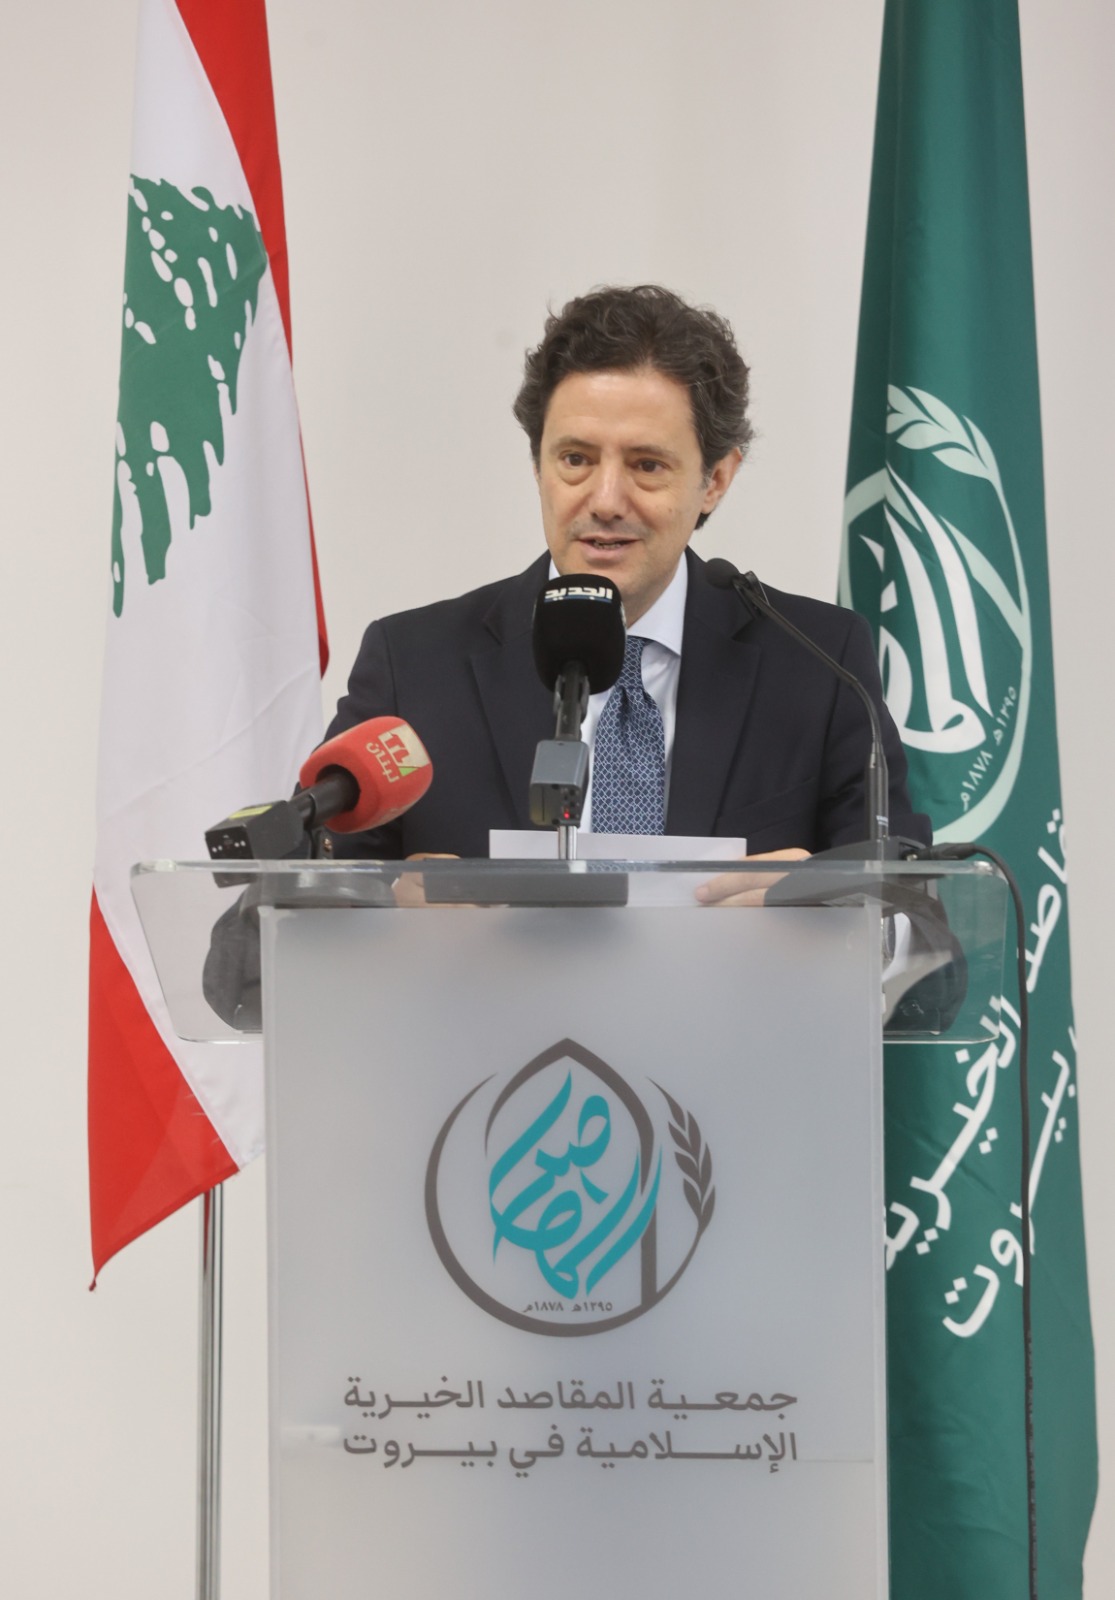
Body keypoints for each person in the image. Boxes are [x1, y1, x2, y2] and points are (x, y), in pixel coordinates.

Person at [324, 284, 929, 872]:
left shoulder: (821, 667)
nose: (606, 500)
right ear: (538, 464)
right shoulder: (415, 667)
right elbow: (309, 898)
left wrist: (816, 905)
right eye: (576, 459)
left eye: (646, 465)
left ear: (715, 480)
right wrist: (394, 906)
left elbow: (914, 912)